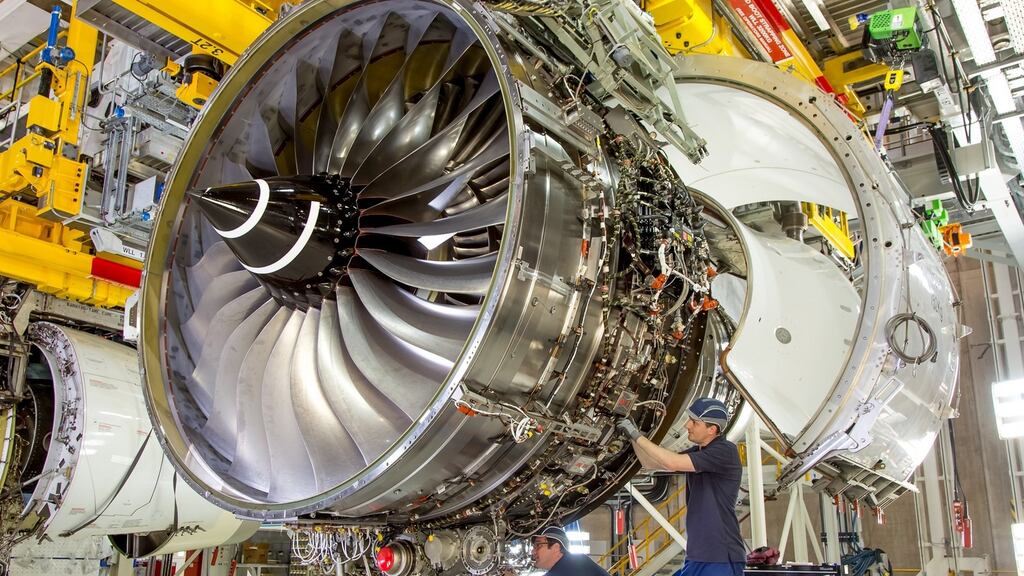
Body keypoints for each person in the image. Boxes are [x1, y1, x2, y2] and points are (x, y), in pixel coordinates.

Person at [617, 397, 746, 576]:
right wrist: (632, 434)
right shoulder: (699, 451)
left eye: (694, 422)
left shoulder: (725, 451)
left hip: (721, 556)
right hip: (697, 555)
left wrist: (636, 435)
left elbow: (672, 462)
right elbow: (649, 463)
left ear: (712, 429)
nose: (687, 425)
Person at [531, 525, 610, 576]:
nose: (533, 552)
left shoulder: (567, 569)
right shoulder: (580, 559)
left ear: (556, 547)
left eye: (538, 545)